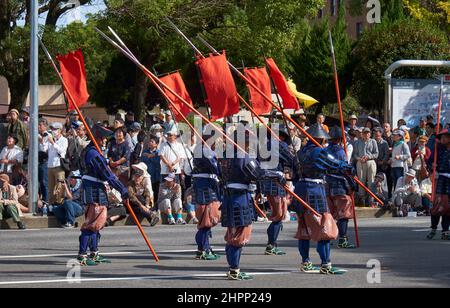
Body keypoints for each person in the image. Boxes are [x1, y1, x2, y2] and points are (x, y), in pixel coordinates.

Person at [218, 131, 285, 281]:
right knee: (239, 235)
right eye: (248, 142)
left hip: (228, 197)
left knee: (232, 234)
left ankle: (232, 268)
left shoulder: (224, 157)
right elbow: (258, 174)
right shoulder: (243, 156)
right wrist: (277, 175)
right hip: (240, 198)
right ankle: (234, 269)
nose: (250, 145)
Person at [293, 124, 351, 275]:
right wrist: (346, 167)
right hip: (314, 191)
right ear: (320, 138)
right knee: (324, 226)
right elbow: (335, 164)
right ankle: (326, 263)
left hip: (300, 189)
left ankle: (305, 261)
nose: (325, 142)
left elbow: (294, 175)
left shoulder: (299, 153)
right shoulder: (319, 151)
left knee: (304, 228)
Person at [77, 125, 129, 266]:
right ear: (97, 138)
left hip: (97, 187)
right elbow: (107, 174)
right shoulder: (93, 154)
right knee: (92, 223)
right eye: (104, 138)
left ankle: (94, 253)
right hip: (93, 189)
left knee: (97, 224)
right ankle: (82, 255)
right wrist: (122, 189)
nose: (105, 141)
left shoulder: (94, 152)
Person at [259, 127, 294, 256]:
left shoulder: (264, 146)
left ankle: (272, 243)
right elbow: (291, 160)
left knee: (278, 215)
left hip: (267, 181)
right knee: (278, 215)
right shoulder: (279, 145)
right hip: (276, 181)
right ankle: (271, 244)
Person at [191, 127, 222, 260]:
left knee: (206, 221)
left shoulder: (203, 148)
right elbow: (216, 168)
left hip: (204, 185)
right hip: (206, 187)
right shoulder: (205, 150)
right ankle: (203, 249)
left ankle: (204, 248)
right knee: (206, 220)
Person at [326, 127, 356, 249]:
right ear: (340, 139)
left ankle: (329, 236)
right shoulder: (340, 152)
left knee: (330, 213)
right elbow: (345, 170)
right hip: (339, 185)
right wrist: (352, 183)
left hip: (327, 185)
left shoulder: (324, 150)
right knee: (343, 213)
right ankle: (342, 239)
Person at [427, 129, 450, 240]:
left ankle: (445, 231)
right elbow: (429, 162)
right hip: (440, 180)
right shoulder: (438, 149)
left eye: (445, 137)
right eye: (442, 137)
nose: (443, 139)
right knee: (436, 205)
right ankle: (433, 228)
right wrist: (432, 166)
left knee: (448, 208)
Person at [352, 127, 378, 206]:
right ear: (362, 134)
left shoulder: (373, 141)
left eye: (368, 133)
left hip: (370, 162)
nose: (366, 134)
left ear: (370, 134)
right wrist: (359, 159)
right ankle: (362, 200)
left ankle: (371, 200)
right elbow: (355, 154)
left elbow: (376, 154)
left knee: (371, 181)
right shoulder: (357, 142)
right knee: (361, 181)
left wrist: (368, 157)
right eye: (365, 133)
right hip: (360, 162)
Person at [46, 122, 68, 206]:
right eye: (52, 129)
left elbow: (62, 151)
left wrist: (53, 143)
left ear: (60, 130)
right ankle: (51, 206)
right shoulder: (51, 139)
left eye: (55, 129)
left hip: (59, 166)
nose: (53, 131)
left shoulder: (64, 140)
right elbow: (45, 149)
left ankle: (59, 205)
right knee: (51, 188)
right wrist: (43, 140)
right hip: (50, 166)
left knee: (59, 188)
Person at [142, 136, 161, 205]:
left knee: (156, 191)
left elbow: (157, 161)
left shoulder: (159, 152)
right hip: (147, 174)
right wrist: (150, 156)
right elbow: (143, 161)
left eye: (152, 141)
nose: (150, 143)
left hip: (156, 175)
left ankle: (155, 205)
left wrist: (149, 156)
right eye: (149, 141)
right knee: (147, 190)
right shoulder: (144, 151)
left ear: (156, 144)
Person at [38, 118, 50, 203]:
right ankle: (39, 200)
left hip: (44, 161)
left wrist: (41, 141)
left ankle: (46, 201)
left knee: (44, 182)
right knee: (38, 182)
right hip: (37, 161)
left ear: (45, 126)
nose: (39, 126)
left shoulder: (48, 135)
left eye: (40, 125)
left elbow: (45, 149)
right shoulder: (37, 135)